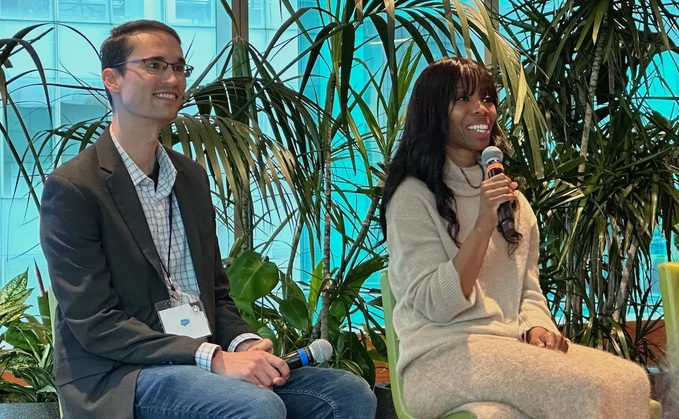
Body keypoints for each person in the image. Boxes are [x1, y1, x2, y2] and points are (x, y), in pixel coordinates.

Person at [40, 20, 376, 419]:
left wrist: (244, 344)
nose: (172, 78)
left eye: (179, 67)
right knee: (256, 406)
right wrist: (213, 358)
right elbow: (96, 324)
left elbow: (216, 295)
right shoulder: (75, 187)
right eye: (155, 65)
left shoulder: (190, 177)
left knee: (347, 394)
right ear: (112, 79)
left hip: (202, 361)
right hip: (123, 376)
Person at [379, 57, 650, 419]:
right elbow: (436, 306)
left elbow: (527, 288)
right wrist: (481, 226)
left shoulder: (512, 198)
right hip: (440, 357)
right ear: (433, 113)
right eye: (463, 99)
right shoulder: (412, 198)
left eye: (488, 99)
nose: (481, 110)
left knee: (630, 379)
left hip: (508, 349)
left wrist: (536, 325)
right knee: (583, 387)